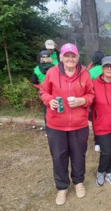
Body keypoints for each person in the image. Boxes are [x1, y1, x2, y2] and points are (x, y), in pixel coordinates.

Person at [40, 43, 95, 205]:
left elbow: (91, 95)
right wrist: (50, 101)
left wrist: (81, 100)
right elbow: (43, 92)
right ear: (61, 57)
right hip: (56, 125)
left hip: (79, 125)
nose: (70, 59)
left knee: (78, 155)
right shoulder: (52, 73)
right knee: (59, 156)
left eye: (73, 56)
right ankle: (62, 187)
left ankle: (78, 182)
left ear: (77, 57)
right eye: (67, 56)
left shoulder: (85, 74)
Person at [91, 56, 111, 188]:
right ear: (102, 68)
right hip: (101, 125)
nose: (109, 69)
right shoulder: (94, 84)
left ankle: (109, 172)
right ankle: (100, 172)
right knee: (107, 151)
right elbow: (87, 99)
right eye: (106, 66)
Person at [88, 51, 104, 152]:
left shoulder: (90, 71)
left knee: (96, 121)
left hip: (94, 100)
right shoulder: (105, 69)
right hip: (105, 99)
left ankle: (97, 143)